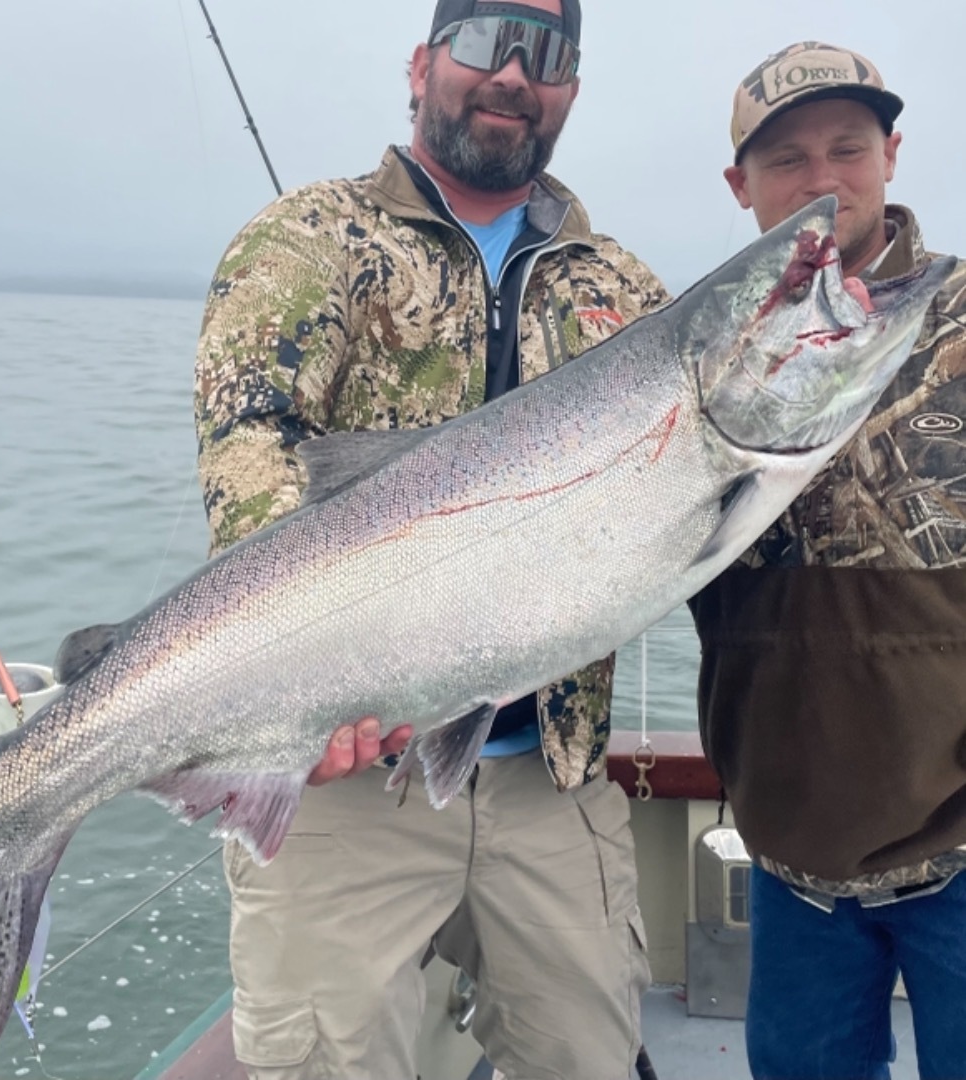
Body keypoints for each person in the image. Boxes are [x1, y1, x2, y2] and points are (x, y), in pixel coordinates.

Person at [192, 1, 668, 1076]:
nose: (509, 72)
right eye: (483, 38)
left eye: (542, 52)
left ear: (570, 92)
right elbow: (249, 444)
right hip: (345, 784)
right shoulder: (308, 241)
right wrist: (306, 677)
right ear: (420, 62)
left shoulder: (623, 292)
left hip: (550, 781)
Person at [690, 41, 966, 1080]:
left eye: (846, 149)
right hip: (792, 860)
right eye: (785, 161)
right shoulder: (698, 354)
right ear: (740, 187)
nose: (820, 182)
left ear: (890, 154)